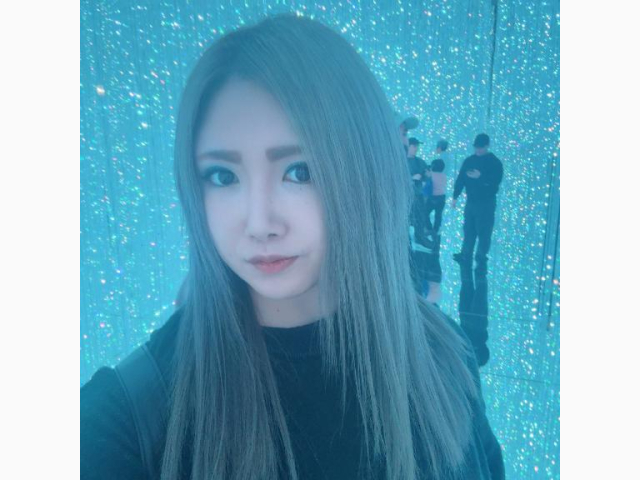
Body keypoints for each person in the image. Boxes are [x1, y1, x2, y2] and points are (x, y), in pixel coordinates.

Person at [81, 15, 504, 480]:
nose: (260, 224)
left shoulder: (443, 353)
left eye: (299, 172)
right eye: (223, 176)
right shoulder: (126, 417)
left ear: (366, 172)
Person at [452, 133, 503, 274]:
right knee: (468, 229)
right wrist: (455, 196)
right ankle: (465, 254)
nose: (478, 150)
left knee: (484, 231)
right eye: (476, 147)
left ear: (487, 146)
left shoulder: (494, 163)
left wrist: (481, 177)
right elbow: (461, 179)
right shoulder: (469, 161)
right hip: (471, 201)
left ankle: (481, 257)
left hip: (486, 203)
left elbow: (495, 183)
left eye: (481, 147)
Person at [406, 137, 430, 247]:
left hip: (418, 194)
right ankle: (406, 240)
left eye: (417, 146)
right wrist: (411, 178)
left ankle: (419, 237)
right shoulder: (401, 161)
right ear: (408, 146)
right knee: (406, 218)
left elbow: (426, 176)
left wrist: (427, 175)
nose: (416, 148)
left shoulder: (420, 162)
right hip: (406, 196)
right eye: (414, 146)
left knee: (420, 218)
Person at [424, 139, 448, 241]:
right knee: (438, 215)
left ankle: (429, 229)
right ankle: (436, 230)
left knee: (425, 213)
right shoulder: (444, 176)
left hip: (432, 197)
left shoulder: (432, 174)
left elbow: (427, 178)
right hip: (442, 198)